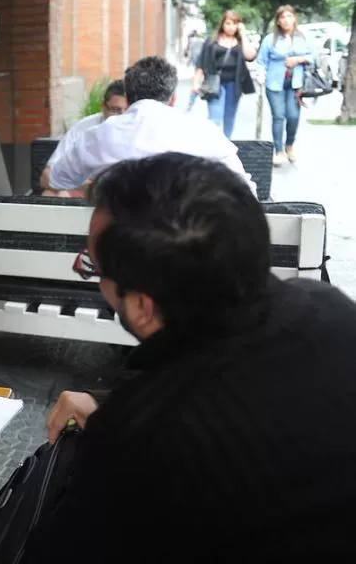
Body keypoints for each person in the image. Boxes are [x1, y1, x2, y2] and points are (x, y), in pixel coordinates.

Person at [26, 152, 356, 561]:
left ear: (143, 307)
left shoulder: (139, 437)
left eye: (94, 267)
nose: (94, 280)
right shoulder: (330, 306)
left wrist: (112, 425)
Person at [49, 56, 255, 196]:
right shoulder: (204, 132)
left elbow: (57, 179)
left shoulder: (98, 136)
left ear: (127, 98)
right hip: (189, 247)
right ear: (173, 98)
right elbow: (245, 191)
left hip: (117, 247)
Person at [40, 79, 128, 195]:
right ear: (103, 106)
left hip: (125, 195)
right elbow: (46, 177)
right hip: (86, 190)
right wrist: (87, 186)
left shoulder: (141, 128)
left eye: (128, 110)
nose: (122, 117)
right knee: (49, 194)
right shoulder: (83, 128)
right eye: (115, 110)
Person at [257, 5, 315, 167]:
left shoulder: (303, 37)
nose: (286, 20)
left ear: (294, 18)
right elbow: (261, 61)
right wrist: (260, 74)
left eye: (289, 16)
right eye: (282, 17)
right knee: (278, 116)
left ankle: (289, 144)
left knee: (293, 116)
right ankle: (279, 150)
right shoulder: (270, 39)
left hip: (296, 84)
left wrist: (299, 59)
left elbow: (314, 57)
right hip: (274, 83)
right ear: (278, 21)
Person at [196, 10, 257, 137]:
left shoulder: (240, 42)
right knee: (215, 119)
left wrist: (243, 34)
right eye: (228, 23)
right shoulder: (212, 41)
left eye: (235, 24)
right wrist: (196, 82)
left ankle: (226, 146)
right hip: (214, 85)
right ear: (222, 24)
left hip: (234, 85)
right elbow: (201, 62)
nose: (231, 27)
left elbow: (250, 56)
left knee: (229, 118)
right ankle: (214, 148)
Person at [184, 29, 205, 111]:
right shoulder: (202, 41)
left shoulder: (192, 41)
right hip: (201, 59)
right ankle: (190, 104)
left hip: (196, 59)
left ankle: (190, 105)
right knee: (196, 80)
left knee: (196, 75)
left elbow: (191, 51)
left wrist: (189, 61)